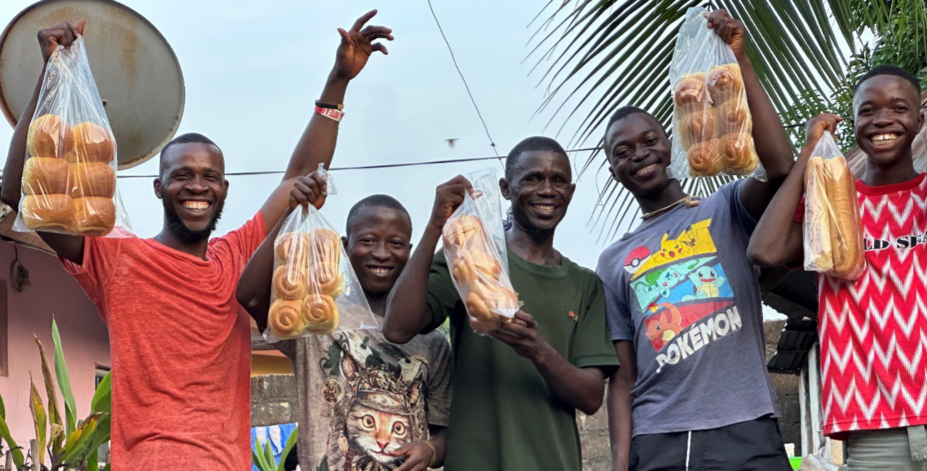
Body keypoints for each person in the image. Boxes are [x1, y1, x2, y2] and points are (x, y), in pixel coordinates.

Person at [0, 12, 393, 469]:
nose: (197, 186)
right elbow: (19, 194)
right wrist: (49, 81)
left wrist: (338, 82)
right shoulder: (116, 256)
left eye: (210, 177)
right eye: (181, 175)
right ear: (158, 186)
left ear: (225, 188)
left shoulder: (238, 258)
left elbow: (299, 179)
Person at [748, 64, 927, 469]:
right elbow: (765, 252)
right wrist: (808, 154)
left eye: (898, 108)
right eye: (867, 110)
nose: (882, 119)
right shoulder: (833, 209)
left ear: (918, 120)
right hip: (872, 425)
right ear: (854, 121)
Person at [597, 10, 796, 471]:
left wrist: (741, 63)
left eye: (648, 141)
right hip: (663, 436)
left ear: (671, 143)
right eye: (622, 152)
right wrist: (621, 462)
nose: (639, 154)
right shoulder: (613, 261)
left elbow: (781, 167)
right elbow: (623, 378)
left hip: (748, 424)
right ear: (612, 170)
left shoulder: (724, 208)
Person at [382, 136, 619, 471]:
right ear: (506, 189)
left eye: (558, 181)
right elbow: (397, 328)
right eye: (533, 178)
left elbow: (592, 397)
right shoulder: (472, 259)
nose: (547, 190)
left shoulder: (585, 284)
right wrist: (436, 226)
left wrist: (537, 350)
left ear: (571, 192)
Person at [237, 194, 452, 471]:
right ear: (345, 246)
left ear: (409, 251)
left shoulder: (431, 342)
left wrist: (431, 451)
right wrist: (287, 216)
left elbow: (445, 432)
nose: (382, 253)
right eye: (368, 241)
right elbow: (250, 297)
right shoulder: (315, 320)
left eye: (395, 243)